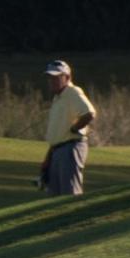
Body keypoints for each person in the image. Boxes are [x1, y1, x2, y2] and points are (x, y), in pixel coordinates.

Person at [39, 60, 98, 197]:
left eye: (56, 77)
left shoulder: (72, 92)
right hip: (57, 150)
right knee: (54, 197)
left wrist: (74, 128)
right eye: (50, 77)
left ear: (67, 77)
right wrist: (48, 158)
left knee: (70, 195)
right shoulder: (58, 98)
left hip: (71, 148)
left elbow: (89, 113)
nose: (52, 81)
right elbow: (57, 134)